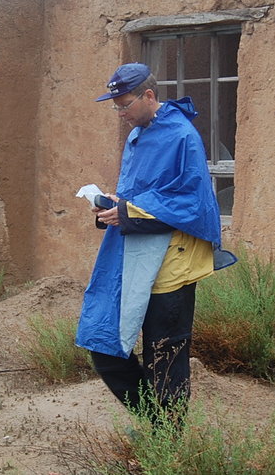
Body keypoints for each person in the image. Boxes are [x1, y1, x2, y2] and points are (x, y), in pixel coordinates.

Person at [75, 62, 233, 428]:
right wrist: (114, 205)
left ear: (149, 95)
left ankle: (168, 440)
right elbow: (146, 193)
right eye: (115, 106)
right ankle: (157, 424)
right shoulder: (139, 134)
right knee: (105, 347)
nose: (120, 113)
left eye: (125, 104)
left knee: (165, 356)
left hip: (172, 264)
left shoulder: (181, 136)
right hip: (134, 258)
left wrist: (127, 212)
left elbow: (191, 203)